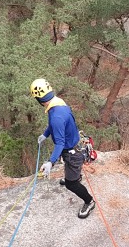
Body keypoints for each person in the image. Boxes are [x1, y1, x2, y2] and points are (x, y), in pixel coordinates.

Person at [31, 78, 96, 219]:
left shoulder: (56, 116)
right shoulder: (58, 103)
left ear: (38, 99)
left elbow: (60, 143)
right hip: (73, 144)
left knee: (71, 184)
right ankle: (74, 175)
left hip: (72, 151)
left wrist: (50, 162)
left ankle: (89, 201)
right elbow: (54, 126)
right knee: (69, 167)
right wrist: (45, 134)